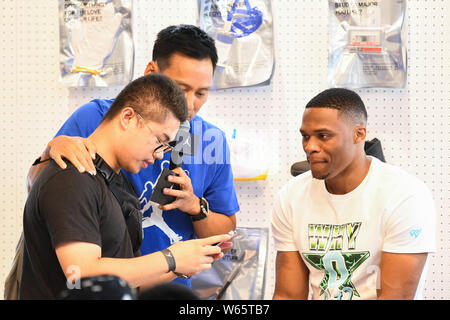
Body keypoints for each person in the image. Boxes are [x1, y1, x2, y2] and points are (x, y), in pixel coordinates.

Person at [26, 25, 239, 287]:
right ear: (151, 73)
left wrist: (196, 207)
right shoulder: (94, 119)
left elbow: (226, 233)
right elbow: (46, 193)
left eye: (201, 93)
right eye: (180, 88)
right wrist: (52, 151)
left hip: (150, 286)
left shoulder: (212, 140)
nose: (190, 105)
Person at [271, 88, 436, 300]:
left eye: (323, 136)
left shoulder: (405, 196)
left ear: (359, 134)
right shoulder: (290, 197)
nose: (310, 147)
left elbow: (396, 297)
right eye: (305, 136)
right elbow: (288, 295)